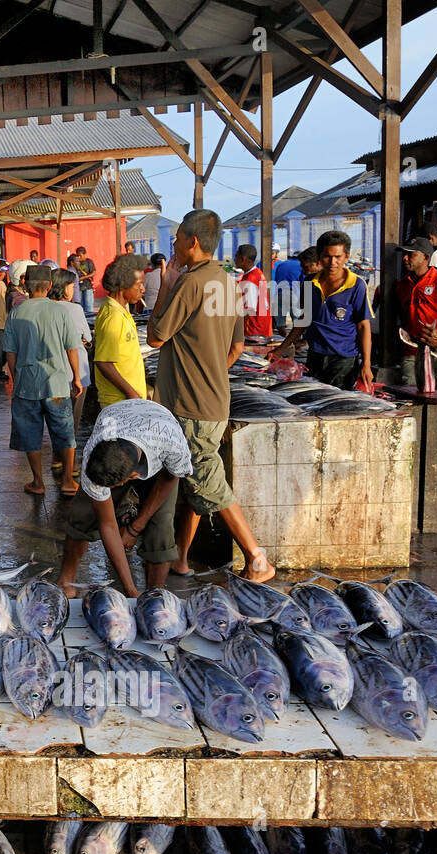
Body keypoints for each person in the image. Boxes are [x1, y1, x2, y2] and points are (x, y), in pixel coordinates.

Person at [147, 209, 274, 583]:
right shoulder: (226, 282)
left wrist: (167, 284)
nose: (174, 244)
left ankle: (256, 558)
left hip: (190, 404)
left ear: (193, 241)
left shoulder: (191, 282)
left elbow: (156, 337)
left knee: (209, 484)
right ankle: (181, 559)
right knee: (192, 484)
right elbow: (237, 345)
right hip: (214, 398)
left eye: (178, 237)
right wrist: (211, 367)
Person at [58, 399, 192, 598]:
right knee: (82, 516)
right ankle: (65, 582)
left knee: (161, 527)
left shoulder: (173, 443)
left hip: (160, 446)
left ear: (129, 478)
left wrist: (136, 526)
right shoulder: (96, 453)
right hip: (120, 418)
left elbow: (171, 477)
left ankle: (155, 596)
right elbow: (108, 525)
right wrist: (130, 590)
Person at [3, 264, 82, 496]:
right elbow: (72, 349)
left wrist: (17, 377)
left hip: (26, 384)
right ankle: (68, 481)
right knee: (64, 432)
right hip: (56, 383)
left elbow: (10, 353)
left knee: (30, 434)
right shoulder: (61, 311)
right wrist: (76, 378)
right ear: (49, 286)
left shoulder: (16, 312)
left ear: (26, 285)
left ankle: (38, 482)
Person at [268, 230, 373, 390]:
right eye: (327, 256)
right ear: (319, 256)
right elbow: (305, 319)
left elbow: (363, 326)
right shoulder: (310, 282)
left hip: (343, 360)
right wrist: (281, 348)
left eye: (338, 257)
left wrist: (366, 364)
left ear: (346, 256)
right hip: (315, 355)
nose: (332, 262)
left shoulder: (356, 285)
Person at [396, 236, 437, 393]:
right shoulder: (401, 285)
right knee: (410, 395)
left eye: (411, 254)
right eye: (404, 253)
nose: (405, 258)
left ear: (425, 257)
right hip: (411, 352)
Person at [94, 255, 148, 409]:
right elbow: (103, 362)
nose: (143, 289)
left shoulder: (121, 310)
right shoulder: (113, 317)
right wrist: (131, 393)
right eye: (139, 285)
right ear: (123, 285)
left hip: (129, 400)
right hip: (119, 402)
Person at [49, 268, 92, 431]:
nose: (73, 290)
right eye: (72, 286)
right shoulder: (75, 309)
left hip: (52, 374)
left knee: (56, 422)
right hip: (76, 374)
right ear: (64, 287)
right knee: (72, 422)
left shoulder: (44, 308)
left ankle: (57, 454)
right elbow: (87, 338)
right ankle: (69, 456)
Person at [234, 244, 272, 337]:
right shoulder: (257, 272)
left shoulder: (250, 279)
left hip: (254, 330)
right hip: (262, 325)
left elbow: (249, 310)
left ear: (243, 259)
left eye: (236, 257)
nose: (234, 259)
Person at [73, 246, 96, 314]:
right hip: (79, 288)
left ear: (84, 254)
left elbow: (93, 273)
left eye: (80, 255)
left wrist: (83, 278)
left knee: (89, 306)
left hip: (88, 286)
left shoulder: (89, 262)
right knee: (80, 307)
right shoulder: (76, 263)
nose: (79, 257)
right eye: (77, 256)